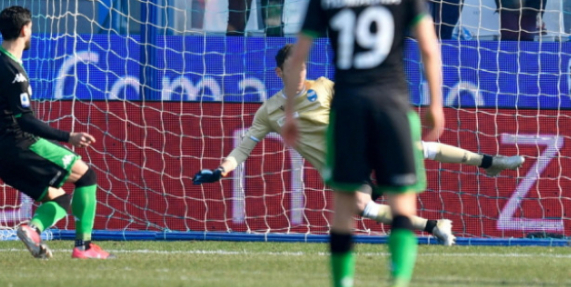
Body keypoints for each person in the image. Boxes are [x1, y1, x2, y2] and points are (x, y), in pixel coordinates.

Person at [283, 0, 444, 287]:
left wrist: (290, 113)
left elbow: (298, 57)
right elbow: (429, 48)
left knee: (344, 208)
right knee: (403, 202)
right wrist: (436, 104)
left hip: (349, 104)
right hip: (393, 103)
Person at [192, 45, 525, 245]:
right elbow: (244, 147)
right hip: (343, 168)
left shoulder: (323, 86)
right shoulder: (269, 111)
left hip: (361, 145)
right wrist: (222, 170)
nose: (299, 73)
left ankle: (490, 162)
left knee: (416, 147)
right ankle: (435, 227)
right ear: (279, 72)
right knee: (363, 208)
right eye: (293, 69)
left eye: (303, 66)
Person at [0, 6, 110, 259]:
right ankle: (84, 247)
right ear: (24, 30)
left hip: (0, 154)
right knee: (86, 175)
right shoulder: (14, 74)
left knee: (60, 199)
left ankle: (33, 229)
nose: (32, 33)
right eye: (31, 28)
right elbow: (26, 121)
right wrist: (68, 137)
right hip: (21, 145)